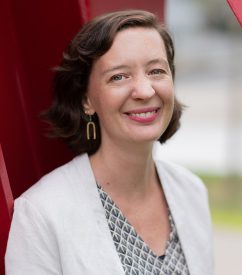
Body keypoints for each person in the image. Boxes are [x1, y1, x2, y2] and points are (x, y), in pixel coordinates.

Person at [5, 10, 213, 275]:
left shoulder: (192, 192)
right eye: (119, 76)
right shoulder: (40, 214)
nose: (145, 90)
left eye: (156, 71)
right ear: (86, 100)